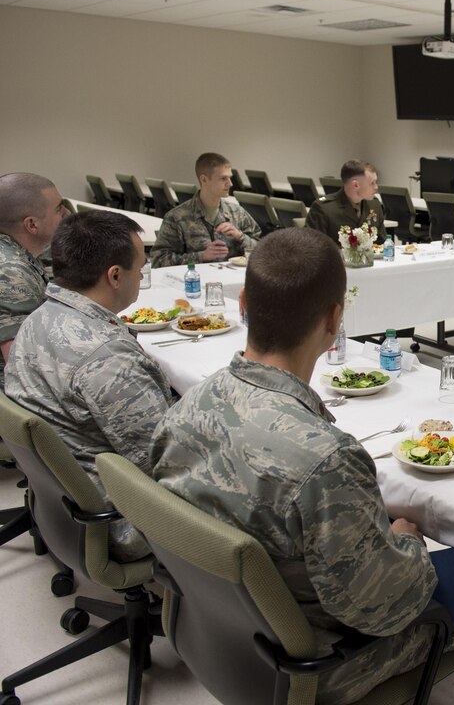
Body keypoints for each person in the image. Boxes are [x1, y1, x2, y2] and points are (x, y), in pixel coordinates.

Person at [150, 227, 454, 704]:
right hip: (315, 663)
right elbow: (383, 608)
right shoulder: (326, 460)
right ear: (334, 321)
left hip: (216, 631)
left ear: (242, 304)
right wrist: (407, 543)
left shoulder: (182, 409)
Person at [5, 210, 173, 560]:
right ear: (114, 276)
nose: (141, 276)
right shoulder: (107, 359)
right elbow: (166, 463)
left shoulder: (39, 317)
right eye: (140, 269)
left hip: (64, 498)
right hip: (120, 520)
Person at [0, 172, 71, 389]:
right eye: (59, 209)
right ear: (32, 225)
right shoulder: (12, 273)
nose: (67, 214)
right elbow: (22, 365)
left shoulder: (13, 254)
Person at [151, 152, 261, 268]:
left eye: (230, 178)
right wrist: (201, 256)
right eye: (223, 178)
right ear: (204, 179)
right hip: (195, 282)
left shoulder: (237, 213)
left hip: (232, 281)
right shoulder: (177, 217)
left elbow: (262, 250)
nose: (230, 183)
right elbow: (158, 261)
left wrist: (240, 236)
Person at [306, 160, 388, 245]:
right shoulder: (324, 209)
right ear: (356, 185)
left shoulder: (374, 205)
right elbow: (312, 248)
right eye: (372, 183)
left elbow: (381, 242)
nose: (376, 187)